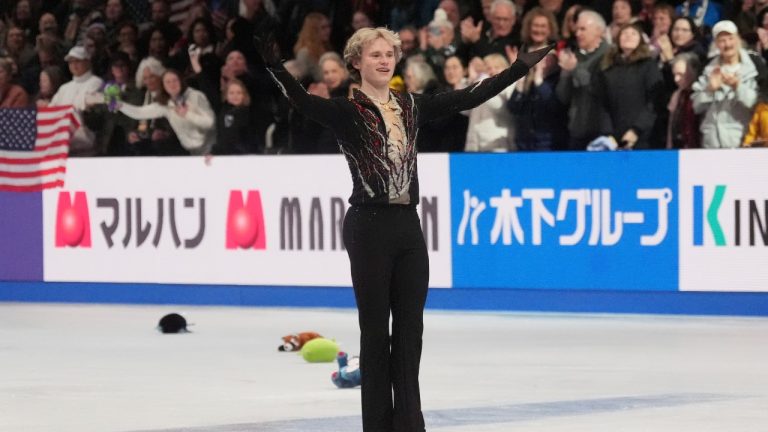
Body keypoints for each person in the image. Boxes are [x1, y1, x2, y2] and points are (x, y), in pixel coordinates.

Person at [256, 26, 551, 432]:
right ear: (356, 62)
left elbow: (470, 95)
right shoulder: (346, 111)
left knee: (410, 332)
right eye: (374, 54)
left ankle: (410, 424)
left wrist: (518, 67)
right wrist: (276, 67)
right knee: (375, 333)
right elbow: (302, 102)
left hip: (408, 227)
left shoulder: (412, 105)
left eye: (389, 54)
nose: (383, 60)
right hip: (367, 227)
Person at [692, 20, 761, 149]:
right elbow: (696, 107)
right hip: (712, 143)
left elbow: (757, 104)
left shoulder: (754, 67)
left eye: (731, 38)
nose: (727, 44)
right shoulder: (708, 70)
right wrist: (709, 90)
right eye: (722, 40)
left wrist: (737, 86)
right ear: (716, 44)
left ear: (738, 39)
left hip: (742, 141)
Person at [117, 69, 216, 155]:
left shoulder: (195, 96)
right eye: (167, 82)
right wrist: (118, 105)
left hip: (211, 151)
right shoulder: (166, 104)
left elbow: (210, 123)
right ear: (163, 86)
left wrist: (188, 115)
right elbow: (139, 113)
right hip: (189, 152)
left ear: (181, 81)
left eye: (174, 80)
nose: (172, 84)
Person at [596, 23, 662, 149]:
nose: (628, 36)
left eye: (633, 34)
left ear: (640, 40)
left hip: (643, 137)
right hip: (613, 137)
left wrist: (636, 130)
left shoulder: (648, 65)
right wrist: (608, 133)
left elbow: (654, 102)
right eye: (625, 33)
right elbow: (602, 103)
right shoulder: (608, 68)